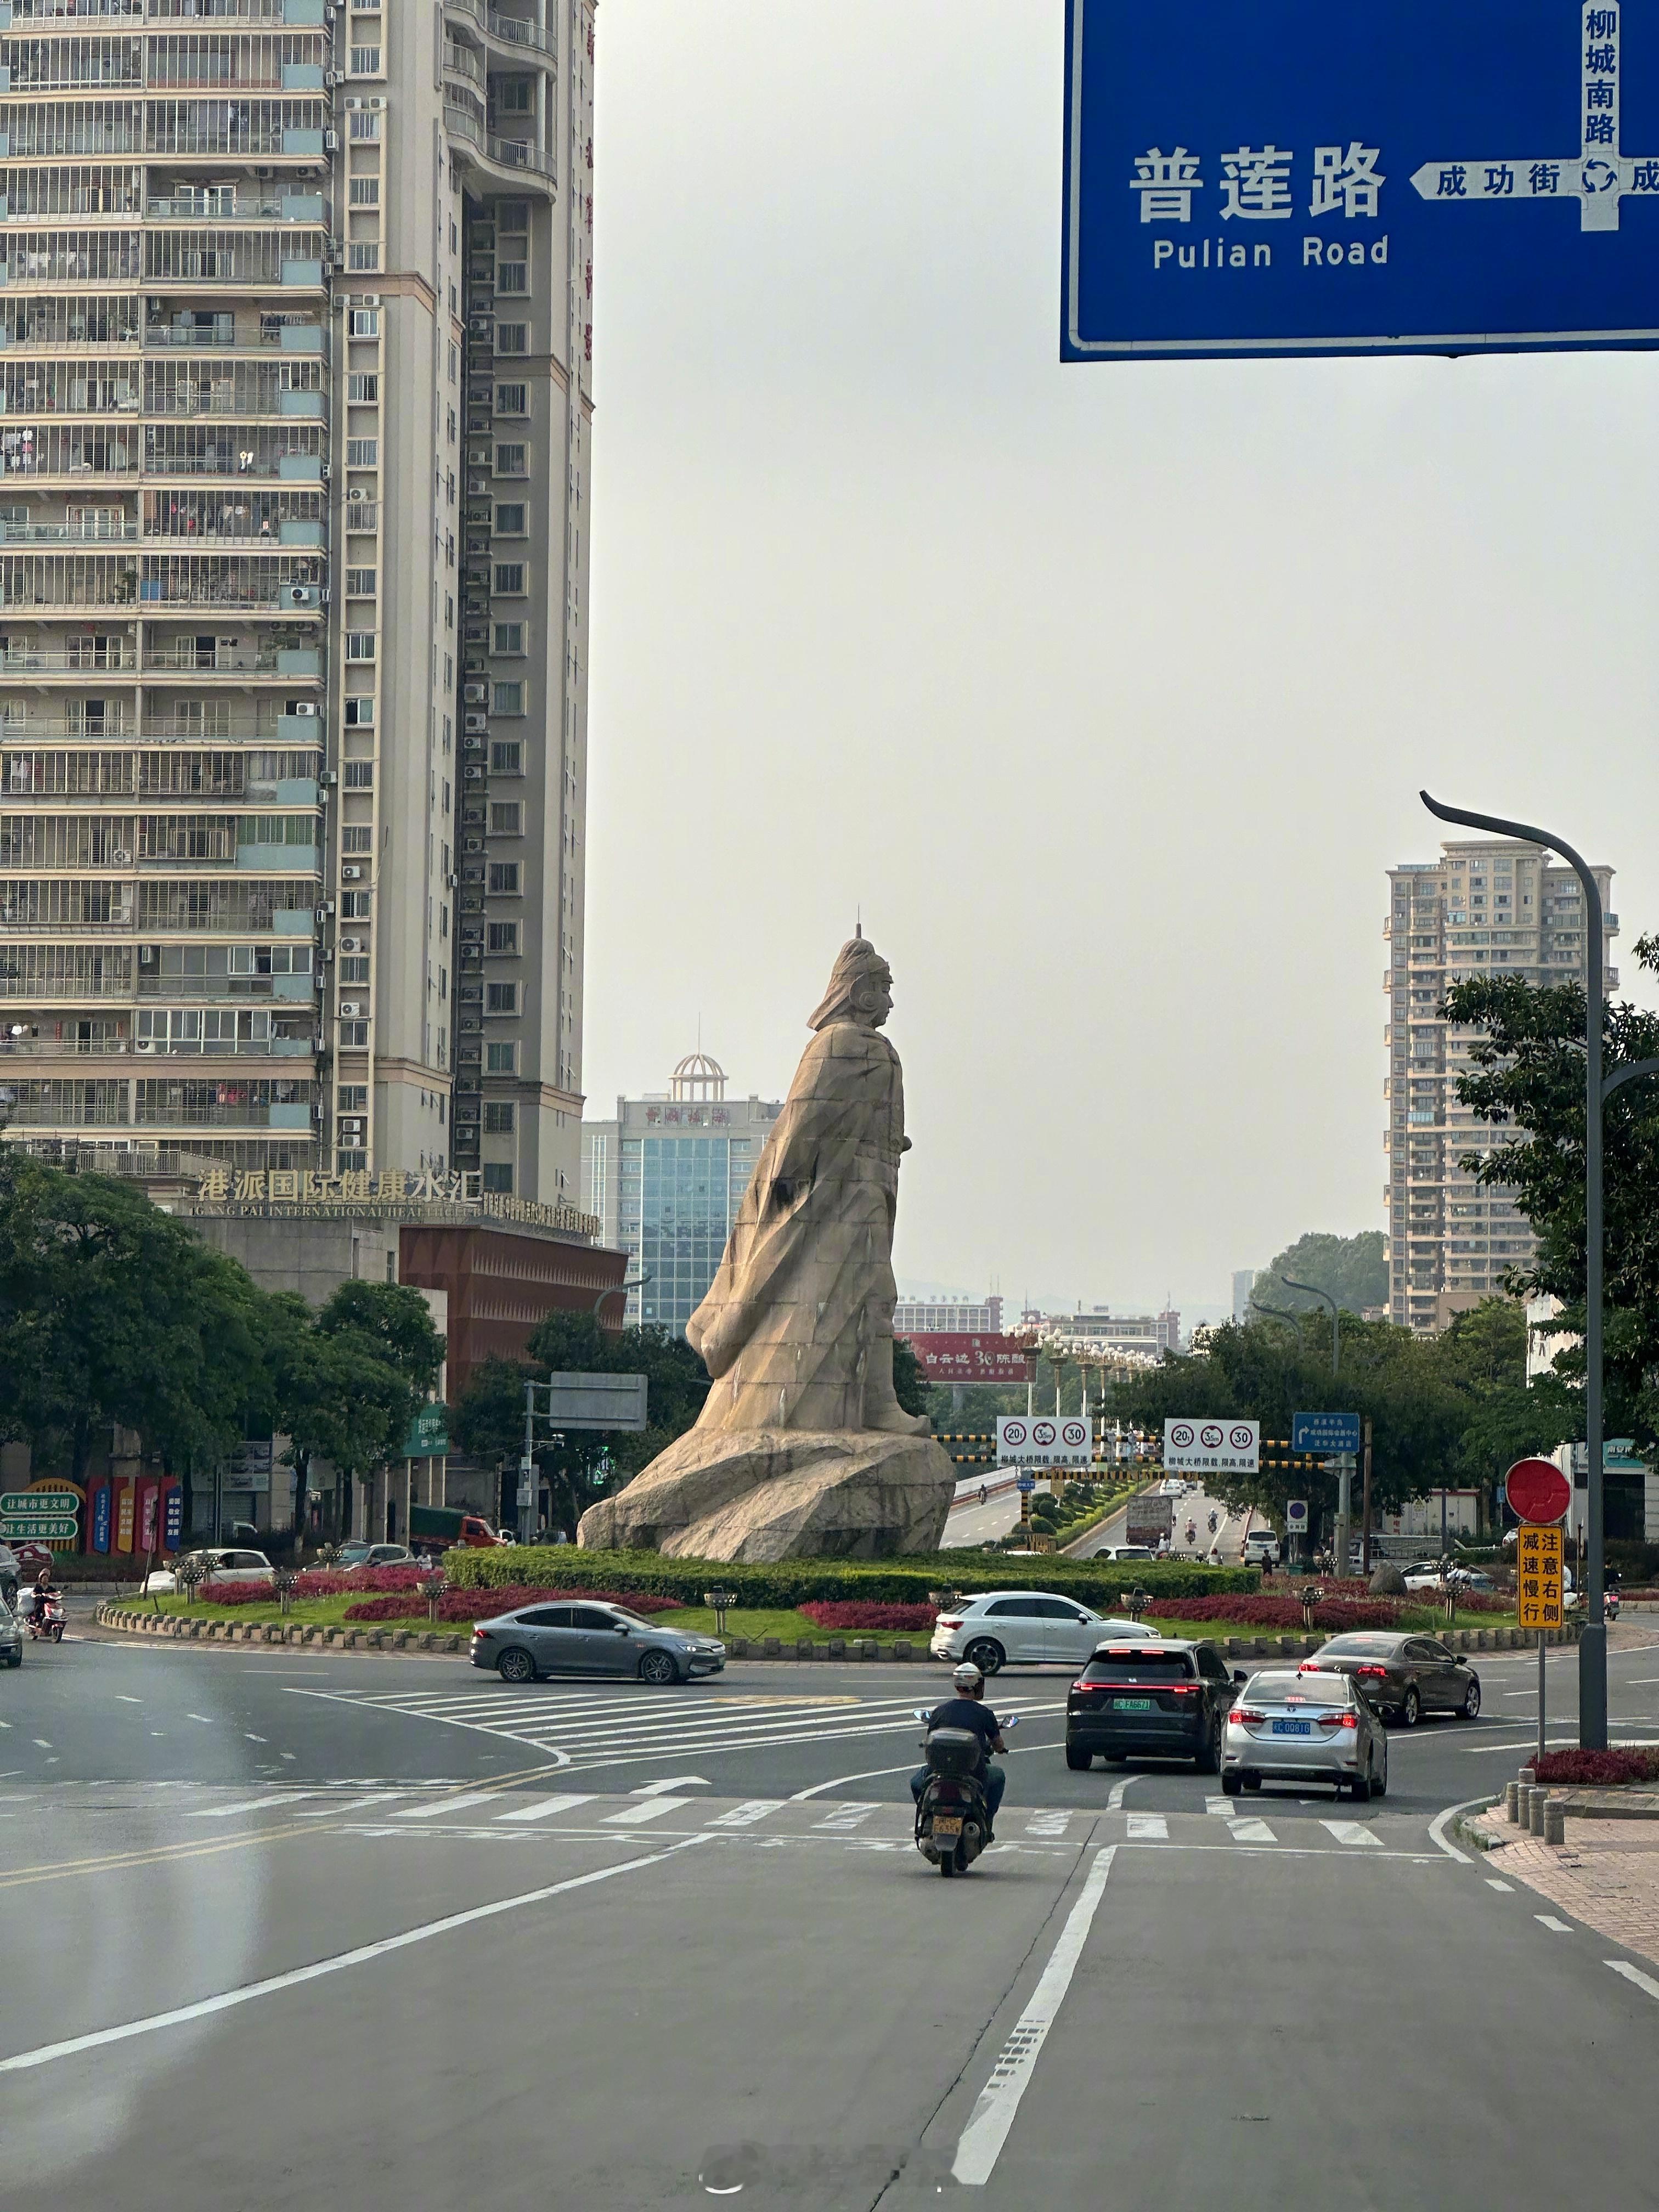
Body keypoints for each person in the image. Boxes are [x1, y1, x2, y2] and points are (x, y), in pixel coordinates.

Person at [911, 1661, 1007, 1842]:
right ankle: (987, 1822)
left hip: (938, 1772)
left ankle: (926, 1816)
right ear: (977, 1685)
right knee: (998, 1777)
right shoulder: (984, 1713)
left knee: (916, 1782)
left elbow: (930, 1738)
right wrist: (1000, 1749)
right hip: (974, 1773)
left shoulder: (940, 1711)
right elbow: (998, 1744)